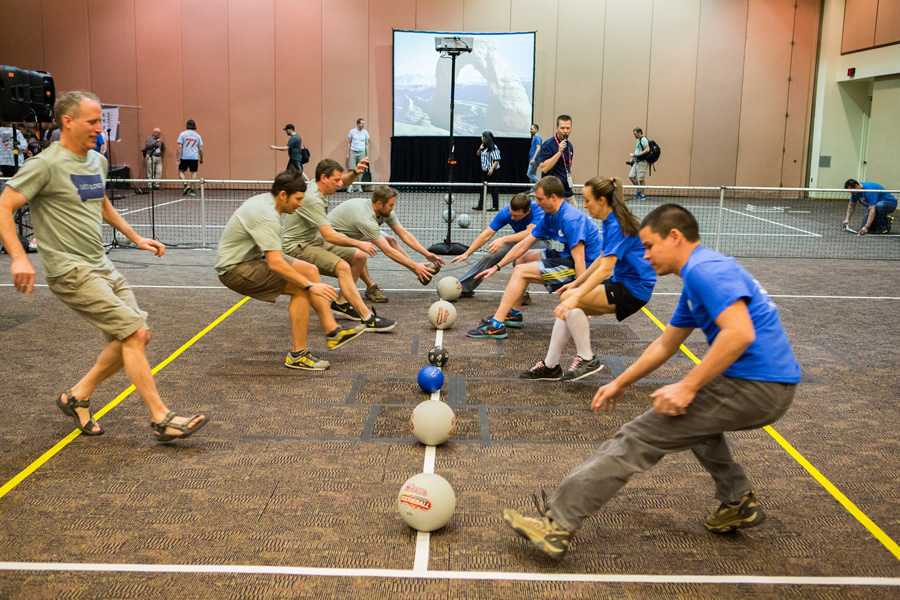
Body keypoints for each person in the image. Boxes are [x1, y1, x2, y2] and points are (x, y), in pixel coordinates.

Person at [502, 203, 800, 560]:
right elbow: (664, 344)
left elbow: (739, 334)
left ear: (674, 237)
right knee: (698, 425)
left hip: (757, 386)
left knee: (637, 437)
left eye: (649, 246)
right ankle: (737, 500)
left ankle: (556, 525)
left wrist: (687, 386)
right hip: (770, 387)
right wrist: (620, 383)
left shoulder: (706, 271)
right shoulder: (698, 278)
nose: (644, 255)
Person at [0, 90, 208, 442]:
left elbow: (102, 205)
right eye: (93, 121)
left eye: (100, 121)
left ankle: (77, 395)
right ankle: (161, 418)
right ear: (68, 121)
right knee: (133, 333)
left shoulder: (96, 161)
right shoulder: (45, 165)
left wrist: (137, 238)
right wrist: (19, 256)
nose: (100, 128)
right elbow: (5, 205)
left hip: (102, 264)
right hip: (70, 270)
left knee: (137, 335)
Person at [216, 170, 365, 368]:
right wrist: (311, 287)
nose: (301, 204)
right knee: (301, 289)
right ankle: (298, 355)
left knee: (310, 269)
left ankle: (332, 331)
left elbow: (237, 212)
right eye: (298, 199)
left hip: (252, 256)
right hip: (235, 268)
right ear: (283, 195)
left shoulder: (265, 199)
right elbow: (275, 263)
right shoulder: (267, 216)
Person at [520, 177, 657, 382]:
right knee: (569, 299)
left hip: (634, 289)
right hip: (623, 283)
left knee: (572, 302)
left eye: (587, 200)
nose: (584, 205)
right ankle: (551, 366)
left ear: (601, 200)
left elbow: (605, 270)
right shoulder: (611, 221)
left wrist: (578, 294)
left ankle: (587, 357)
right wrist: (574, 284)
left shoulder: (617, 224)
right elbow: (602, 258)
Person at [466, 176, 602, 339]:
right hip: (570, 259)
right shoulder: (549, 216)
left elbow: (580, 260)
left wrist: (581, 298)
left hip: (587, 269)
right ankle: (514, 313)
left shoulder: (570, 219)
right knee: (524, 257)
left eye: (539, 198)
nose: (536, 203)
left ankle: (496, 325)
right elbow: (523, 246)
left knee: (521, 272)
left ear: (553, 197)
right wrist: (497, 267)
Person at [282, 158, 397, 333]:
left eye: (338, 179)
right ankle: (368, 318)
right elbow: (329, 236)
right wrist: (359, 242)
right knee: (343, 266)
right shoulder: (312, 199)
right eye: (336, 181)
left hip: (313, 240)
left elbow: (345, 180)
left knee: (359, 256)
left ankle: (341, 303)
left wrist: (355, 172)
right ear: (323, 178)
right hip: (297, 246)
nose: (340, 184)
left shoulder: (317, 185)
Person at [328, 185, 447, 291]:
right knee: (359, 254)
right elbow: (387, 251)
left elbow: (404, 234)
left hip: (354, 229)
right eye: (391, 205)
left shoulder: (386, 211)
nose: (393, 208)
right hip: (334, 235)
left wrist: (426, 253)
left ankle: (419, 273)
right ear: (379, 203)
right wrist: (414, 265)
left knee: (391, 240)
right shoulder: (366, 219)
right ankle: (371, 287)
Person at [450, 192, 546, 298]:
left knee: (519, 258)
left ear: (527, 211)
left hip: (541, 240)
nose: (512, 218)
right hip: (518, 239)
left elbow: (530, 233)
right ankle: (464, 288)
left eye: (516, 216)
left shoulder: (539, 210)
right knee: (490, 256)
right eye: (511, 214)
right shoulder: (506, 212)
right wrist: (467, 253)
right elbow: (487, 234)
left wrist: (504, 239)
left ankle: (520, 294)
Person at [536, 115, 574, 200]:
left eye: (568, 128)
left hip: (567, 191)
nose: (565, 131)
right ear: (556, 128)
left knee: (575, 213)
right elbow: (544, 168)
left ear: (571, 129)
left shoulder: (569, 146)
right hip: (552, 193)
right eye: (562, 128)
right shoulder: (548, 145)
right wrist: (559, 152)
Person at [473, 131, 501, 211]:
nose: (481, 138)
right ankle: (480, 205)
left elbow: (497, 159)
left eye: (483, 137)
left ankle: (495, 206)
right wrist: (480, 149)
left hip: (493, 171)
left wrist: (491, 169)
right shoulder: (483, 146)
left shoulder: (493, 147)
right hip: (485, 170)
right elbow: (478, 154)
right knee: (483, 188)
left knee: (493, 188)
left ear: (487, 138)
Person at [176, 119, 203, 196]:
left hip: (184, 157)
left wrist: (178, 157)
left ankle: (185, 184)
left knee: (181, 171)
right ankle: (192, 190)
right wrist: (202, 158)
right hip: (194, 157)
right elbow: (200, 149)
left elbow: (179, 147)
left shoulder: (182, 134)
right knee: (194, 173)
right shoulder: (197, 136)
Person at [346, 118, 369, 193]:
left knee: (360, 169)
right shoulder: (352, 131)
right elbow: (348, 143)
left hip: (362, 152)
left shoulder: (365, 132)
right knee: (352, 169)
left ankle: (359, 186)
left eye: (364, 124)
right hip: (353, 152)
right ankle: (350, 186)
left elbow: (367, 144)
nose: (363, 125)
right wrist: (347, 153)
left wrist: (367, 155)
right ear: (358, 124)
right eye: (362, 123)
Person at [628, 127, 651, 200]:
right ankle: (639, 190)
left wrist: (638, 155)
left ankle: (643, 194)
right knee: (631, 176)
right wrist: (633, 158)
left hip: (642, 162)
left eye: (635, 134)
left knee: (641, 179)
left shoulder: (643, 139)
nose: (634, 136)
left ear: (639, 132)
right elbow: (637, 150)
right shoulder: (638, 140)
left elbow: (647, 149)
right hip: (636, 161)